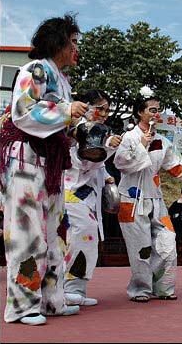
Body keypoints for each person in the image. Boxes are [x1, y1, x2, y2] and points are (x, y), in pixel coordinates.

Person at [0, 13, 88, 325]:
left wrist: (75, 128)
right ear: (59, 43)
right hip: (24, 162)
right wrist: (66, 111)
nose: (78, 48)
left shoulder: (62, 79)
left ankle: (52, 301)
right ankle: (22, 306)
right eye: (74, 42)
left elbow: (58, 123)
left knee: (53, 236)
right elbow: (23, 112)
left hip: (48, 166)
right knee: (27, 235)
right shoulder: (35, 70)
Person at [113, 87, 182, 303]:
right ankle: (140, 289)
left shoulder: (164, 143)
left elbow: (180, 168)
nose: (156, 114)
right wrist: (142, 146)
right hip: (131, 200)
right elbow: (121, 164)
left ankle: (163, 287)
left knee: (168, 241)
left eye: (158, 110)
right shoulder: (129, 138)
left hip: (156, 199)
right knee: (141, 249)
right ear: (140, 112)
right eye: (152, 110)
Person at [63, 89, 122, 306]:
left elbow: (97, 167)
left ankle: (76, 288)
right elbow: (83, 162)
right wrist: (107, 148)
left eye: (107, 109)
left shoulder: (96, 131)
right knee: (79, 238)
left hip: (85, 195)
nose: (105, 113)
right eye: (100, 108)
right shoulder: (77, 129)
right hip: (73, 193)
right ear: (86, 107)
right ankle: (67, 289)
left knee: (87, 239)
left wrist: (106, 176)